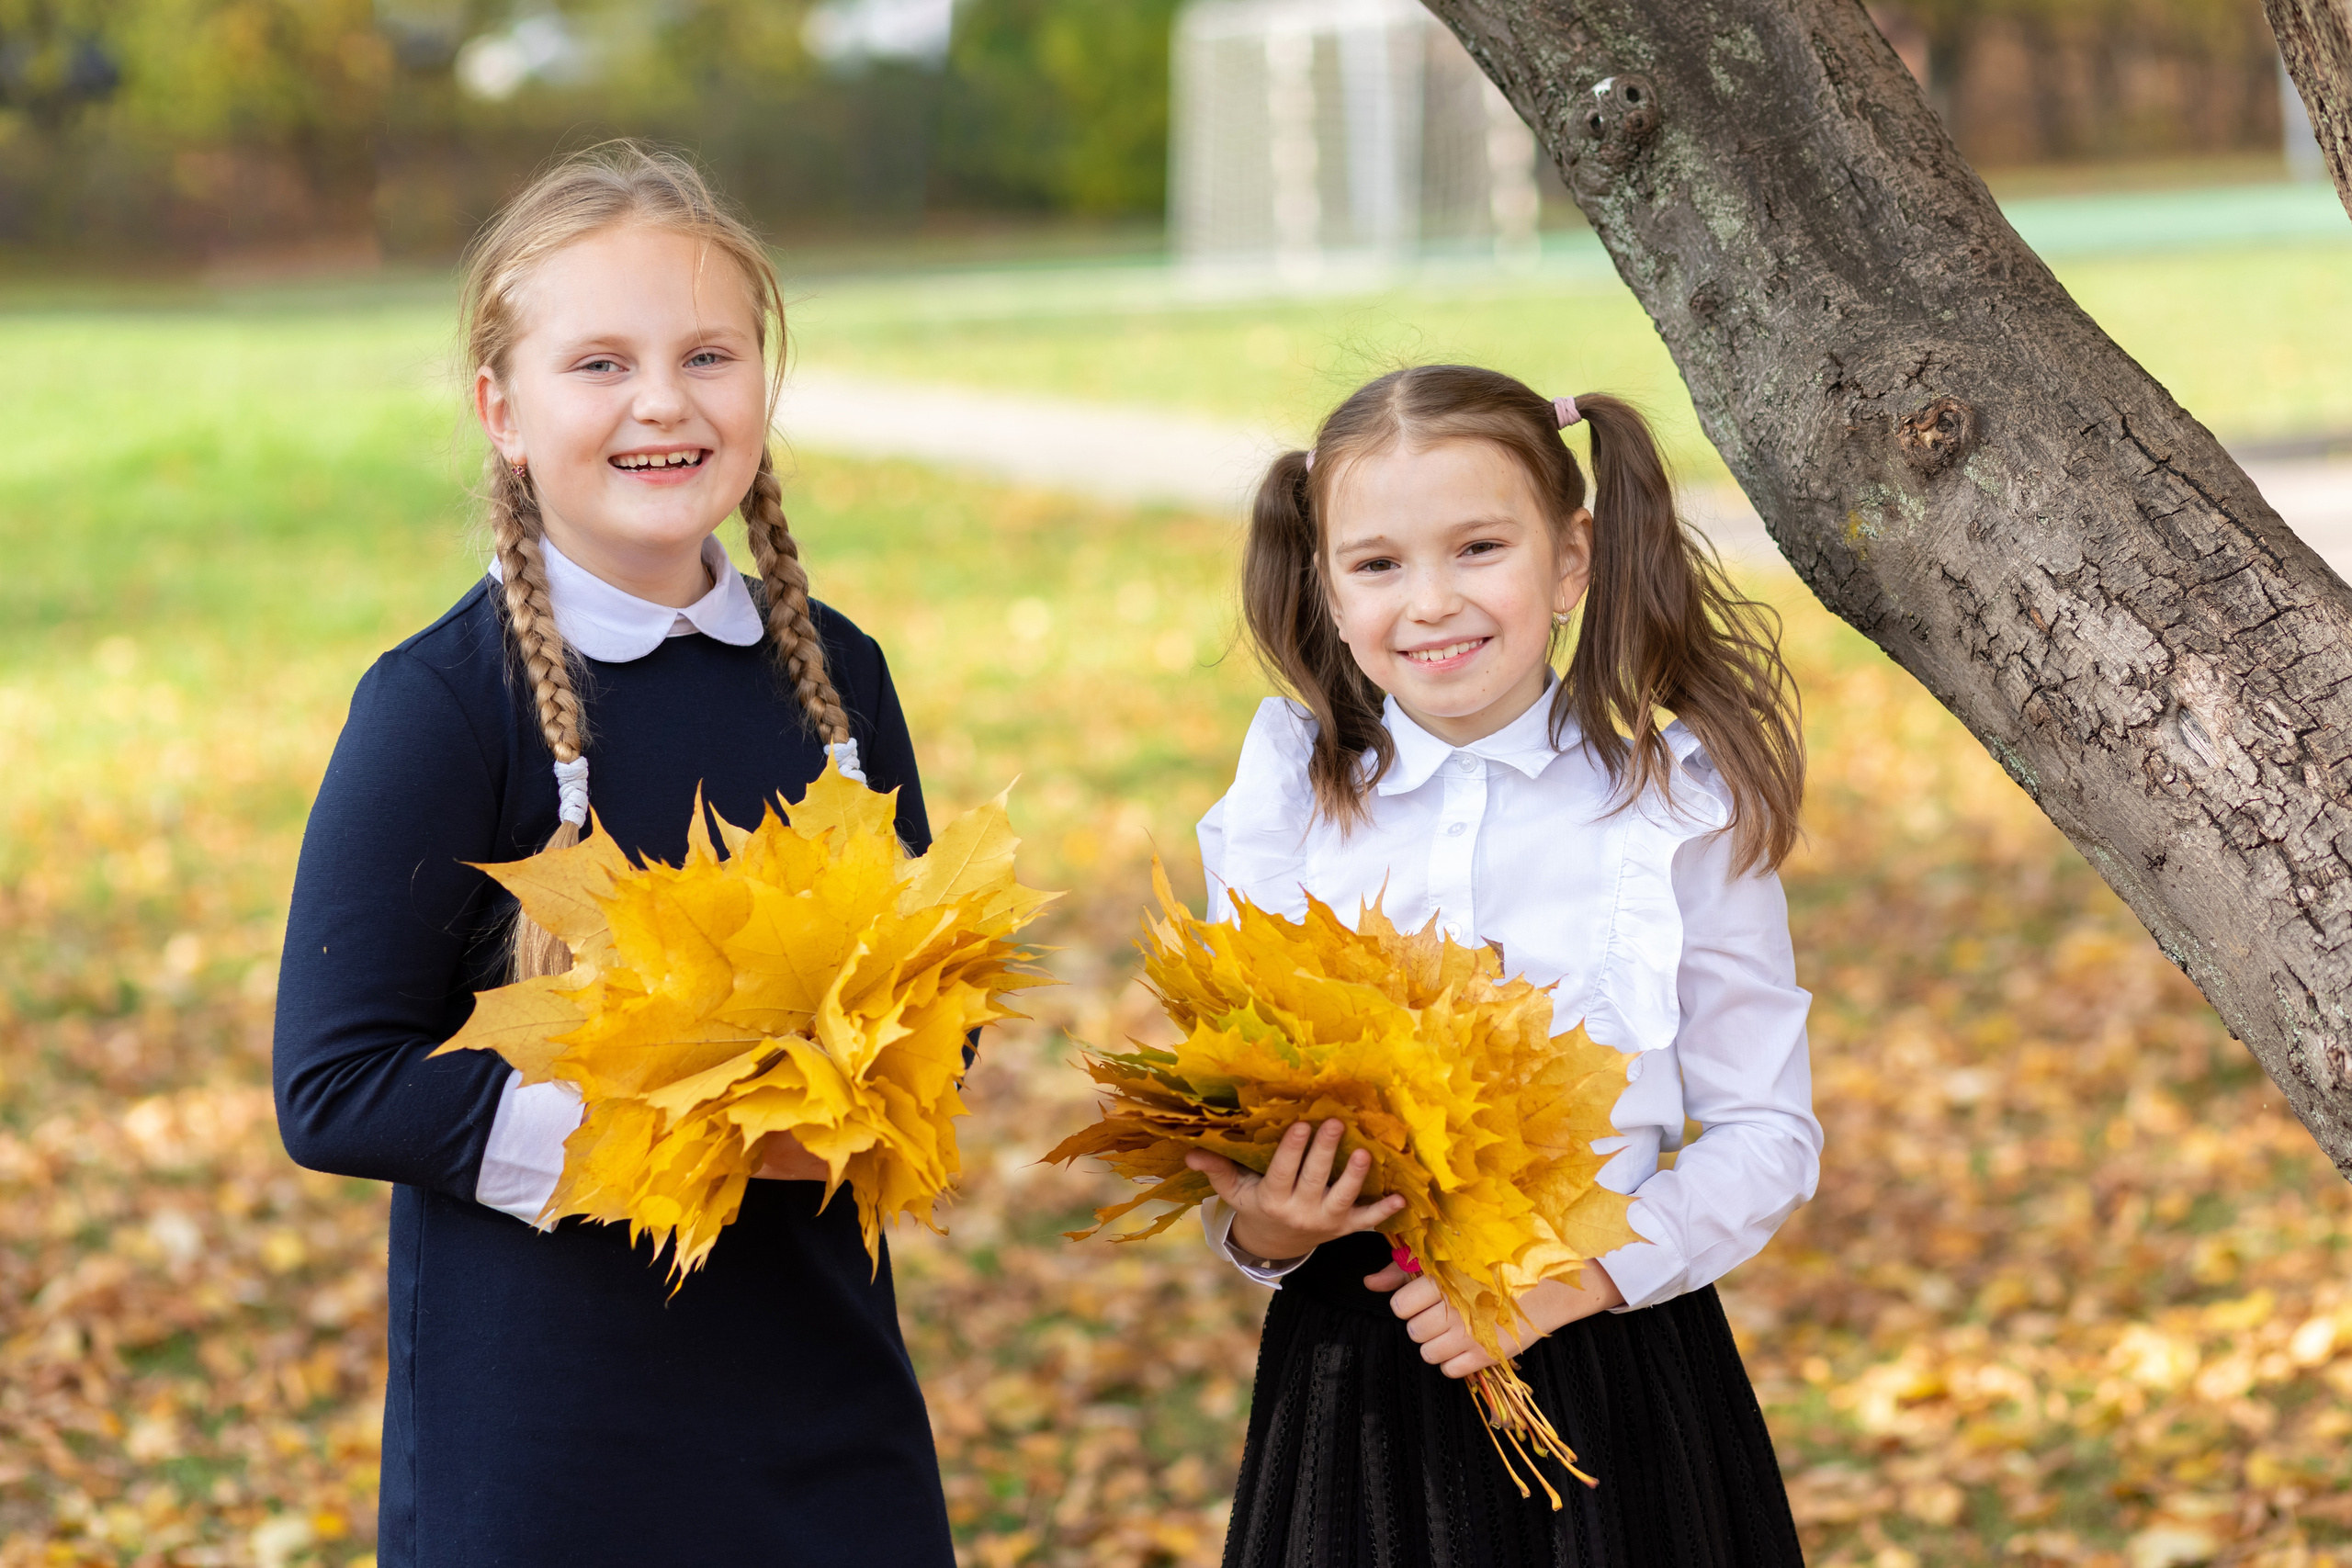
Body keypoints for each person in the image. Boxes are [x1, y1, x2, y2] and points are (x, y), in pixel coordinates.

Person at [272, 144, 954, 1565]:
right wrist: (683, 1143)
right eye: (599, 364)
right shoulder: (446, 707)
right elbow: (335, 1087)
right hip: (548, 1456)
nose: (664, 401)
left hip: (829, 1418)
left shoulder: (841, 678)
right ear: (500, 408)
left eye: (709, 353)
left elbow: (924, 1021)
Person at [1186, 366, 1821, 1566]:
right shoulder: (1286, 808)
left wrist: (1576, 1279)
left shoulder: (1673, 807)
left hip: (1608, 1376)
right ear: (1327, 585)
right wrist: (1265, 1227)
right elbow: (1240, 1132)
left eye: (1479, 547)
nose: (1431, 602)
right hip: (1362, 1398)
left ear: (1571, 560)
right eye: (1378, 565)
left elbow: (1766, 1135)